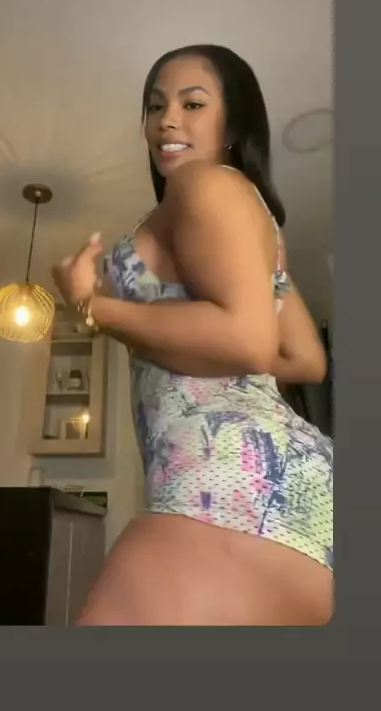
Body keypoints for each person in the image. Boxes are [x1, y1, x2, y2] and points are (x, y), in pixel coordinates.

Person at [52, 44, 333, 626]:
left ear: (233, 123)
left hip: (227, 481)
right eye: (156, 106)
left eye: (193, 103)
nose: (167, 121)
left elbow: (246, 340)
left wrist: (90, 305)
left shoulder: (201, 182)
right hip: (294, 492)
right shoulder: (253, 219)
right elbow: (304, 358)